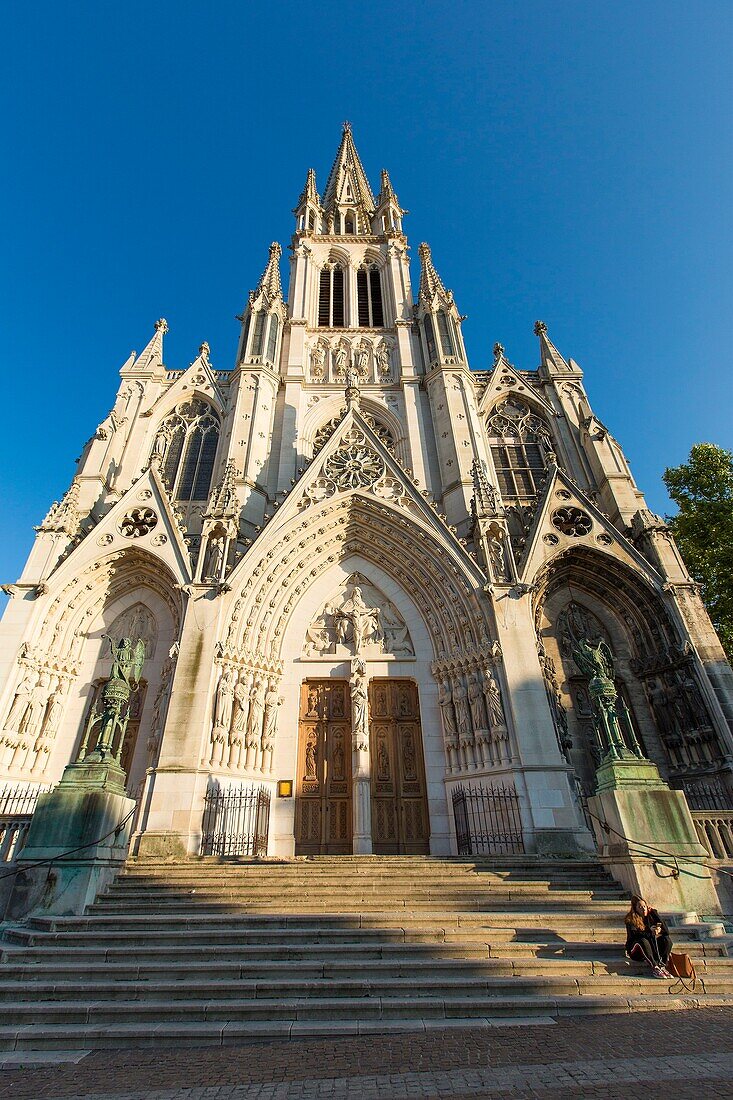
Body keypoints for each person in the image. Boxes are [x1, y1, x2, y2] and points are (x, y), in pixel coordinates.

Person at [624, 895, 672, 978]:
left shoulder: (651, 915)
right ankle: (655, 967)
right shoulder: (630, 919)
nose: (643, 909)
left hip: (651, 949)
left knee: (666, 940)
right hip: (637, 950)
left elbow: (666, 931)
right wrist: (650, 932)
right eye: (640, 907)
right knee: (643, 941)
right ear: (635, 909)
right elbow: (635, 935)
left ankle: (662, 965)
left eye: (644, 906)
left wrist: (654, 913)